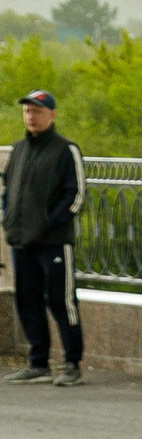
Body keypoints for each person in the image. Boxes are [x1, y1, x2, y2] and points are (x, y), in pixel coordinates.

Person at [3, 89, 86, 386]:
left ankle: (71, 363)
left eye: (37, 111)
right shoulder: (19, 150)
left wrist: (50, 222)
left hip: (54, 241)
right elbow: (7, 191)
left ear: (51, 114)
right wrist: (9, 221)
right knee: (27, 300)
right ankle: (38, 362)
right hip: (22, 241)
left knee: (62, 301)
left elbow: (75, 195)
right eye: (27, 111)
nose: (31, 116)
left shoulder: (66, 150)